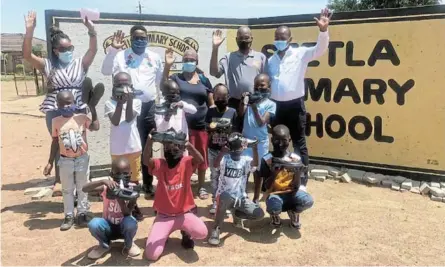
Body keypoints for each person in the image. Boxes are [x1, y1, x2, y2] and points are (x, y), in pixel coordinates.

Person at [23, 11, 103, 186]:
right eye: (63, 49)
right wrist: (29, 31)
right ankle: (62, 183)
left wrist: (92, 31)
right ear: (55, 50)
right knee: (61, 143)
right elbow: (27, 56)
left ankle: (82, 182)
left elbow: (93, 49)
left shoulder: (80, 63)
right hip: (54, 108)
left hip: (78, 106)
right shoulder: (48, 64)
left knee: (80, 142)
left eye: (70, 48)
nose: (68, 52)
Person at [267, 8, 332, 186]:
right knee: (278, 143)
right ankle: (279, 178)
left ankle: (301, 181)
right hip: (276, 107)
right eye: (277, 37)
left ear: (290, 39)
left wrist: (323, 31)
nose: (279, 40)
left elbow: (320, 49)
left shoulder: (300, 53)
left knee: (298, 143)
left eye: (282, 37)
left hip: (295, 106)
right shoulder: (270, 60)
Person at [101, 27, 163, 197]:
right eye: (136, 37)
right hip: (125, 106)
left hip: (148, 107)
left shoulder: (154, 57)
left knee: (147, 146)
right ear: (131, 38)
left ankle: (148, 184)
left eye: (143, 38)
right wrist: (113, 50)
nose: (140, 41)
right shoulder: (120, 55)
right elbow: (106, 71)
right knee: (129, 146)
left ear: (147, 39)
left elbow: (158, 83)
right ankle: (124, 185)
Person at [143, 129, 208, 261]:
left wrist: (188, 144)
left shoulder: (185, 162)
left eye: (175, 146)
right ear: (164, 152)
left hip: (184, 214)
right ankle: (163, 232)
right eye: (168, 146)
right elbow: (145, 160)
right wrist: (150, 139)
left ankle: (185, 234)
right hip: (164, 216)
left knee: (202, 232)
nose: (172, 150)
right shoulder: (160, 164)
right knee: (151, 255)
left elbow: (200, 159)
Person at [43, 91, 100, 230]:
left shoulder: (81, 118)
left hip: (82, 159)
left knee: (83, 188)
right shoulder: (55, 121)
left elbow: (96, 127)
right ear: (57, 105)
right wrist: (50, 161)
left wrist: (92, 109)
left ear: (75, 103)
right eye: (62, 104)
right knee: (67, 189)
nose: (66, 106)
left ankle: (82, 214)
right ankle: (68, 216)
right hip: (65, 160)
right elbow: (55, 142)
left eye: (69, 103)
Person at [162, 47, 213, 200]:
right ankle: (183, 185)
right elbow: (164, 86)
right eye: (186, 60)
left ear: (196, 62)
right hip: (181, 126)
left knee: (201, 157)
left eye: (191, 60)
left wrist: (212, 121)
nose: (189, 62)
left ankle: (202, 186)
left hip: (201, 125)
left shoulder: (203, 79)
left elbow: (210, 102)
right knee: (182, 157)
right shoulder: (177, 78)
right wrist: (167, 66)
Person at [208, 133, 264, 246]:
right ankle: (216, 229)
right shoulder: (225, 158)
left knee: (259, 214)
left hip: (240, 197)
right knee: (224, 196)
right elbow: (215, 165)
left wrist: (255, 149)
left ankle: (237, 213)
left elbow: (255, 164)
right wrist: (223, 152)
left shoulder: (245, 160)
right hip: (224, 197)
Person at [83, 157, 141, 259]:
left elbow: (127, 213)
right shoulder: (107, 187)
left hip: (124, 228)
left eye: (125, 173)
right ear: (111, 174)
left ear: (130, 173)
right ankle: (104, 245)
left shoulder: (132, 190)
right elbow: (85, 189)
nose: (122, 177)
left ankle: (129, 244)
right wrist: (102, 181)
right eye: (117, 173)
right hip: (108, 227)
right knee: (94, 224)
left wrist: (119, 197)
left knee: (131, 222)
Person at [104, 72, 143, 220]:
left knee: (133, 180)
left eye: (126, 84)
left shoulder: (137, 101)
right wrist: (120, 102)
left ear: (131, 86)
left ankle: (134, 206)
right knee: (119, 180)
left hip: (133, 147)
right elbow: (115, 121)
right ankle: (120, 208)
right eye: (119, 84)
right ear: (114, 87)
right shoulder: (109, 103)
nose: (123, 87)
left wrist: (130, 99)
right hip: (117, 149)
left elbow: (128, 118)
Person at [259, 125, 314, 229]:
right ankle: (275, 215)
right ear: (271, 140)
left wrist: (297, 173)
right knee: (273, 206)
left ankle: (294, 212)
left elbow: (297, 187)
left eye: (284, 140)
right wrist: (274, 173)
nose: (280, 144)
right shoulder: (267, 159)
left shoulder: (295, 159)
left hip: (292, 193)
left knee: (308, 201)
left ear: (289, 140)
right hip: (274, 194)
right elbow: (266, 187)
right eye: (276, 140)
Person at [238, 73, 276, 203]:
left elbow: (261, 122)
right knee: (245, 170)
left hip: (260, 143)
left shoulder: (270, 104)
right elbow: (241, 114)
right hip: (246, 141)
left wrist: (254, 107)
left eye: (262, 85)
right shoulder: (250, 101)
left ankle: (255, 198)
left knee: (258, 171)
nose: (259, 88)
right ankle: (243, 196)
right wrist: (243, 101)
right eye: (256, 86)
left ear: (269, 88)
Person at [205, 83, 238, 214]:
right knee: (215, 176)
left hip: (228, 152)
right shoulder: (211, 111)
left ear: (228, 97)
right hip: (213, 149)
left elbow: (236, 130)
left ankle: (227, 202)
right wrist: (213, 127)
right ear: (214, 96)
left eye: (223, 97)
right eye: (217, 97)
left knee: (227, 177)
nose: (220, 100)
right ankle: (215, 201)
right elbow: (207, 126)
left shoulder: (232, 112)